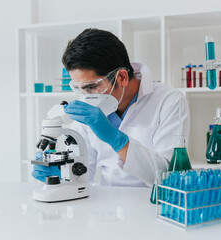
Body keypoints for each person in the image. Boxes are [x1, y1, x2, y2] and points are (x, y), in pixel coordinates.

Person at [32, 28, 189, 187]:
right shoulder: (89, 108)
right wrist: (63, 176)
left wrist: (117, 140)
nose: (85, 96)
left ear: (121, 77)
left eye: (91, 86)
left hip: (151, 203)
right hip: (106, 204)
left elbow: (168, 176)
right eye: (79, 88)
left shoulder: (169, 101)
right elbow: (84, 176)